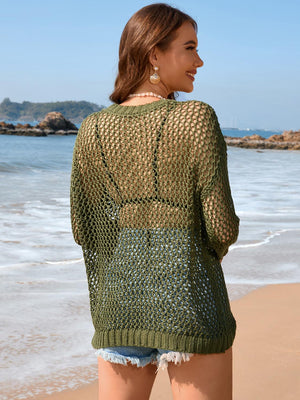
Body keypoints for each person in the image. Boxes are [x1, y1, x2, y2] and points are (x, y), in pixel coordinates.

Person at [70, 3, 239, 399]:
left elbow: (85, 229)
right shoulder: (194, 117)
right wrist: (198, 252)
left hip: (120, 302)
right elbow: (222, 228)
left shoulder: (92, 128)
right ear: (153, 54)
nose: (200, 60)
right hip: (188, 299)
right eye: (190, 48)